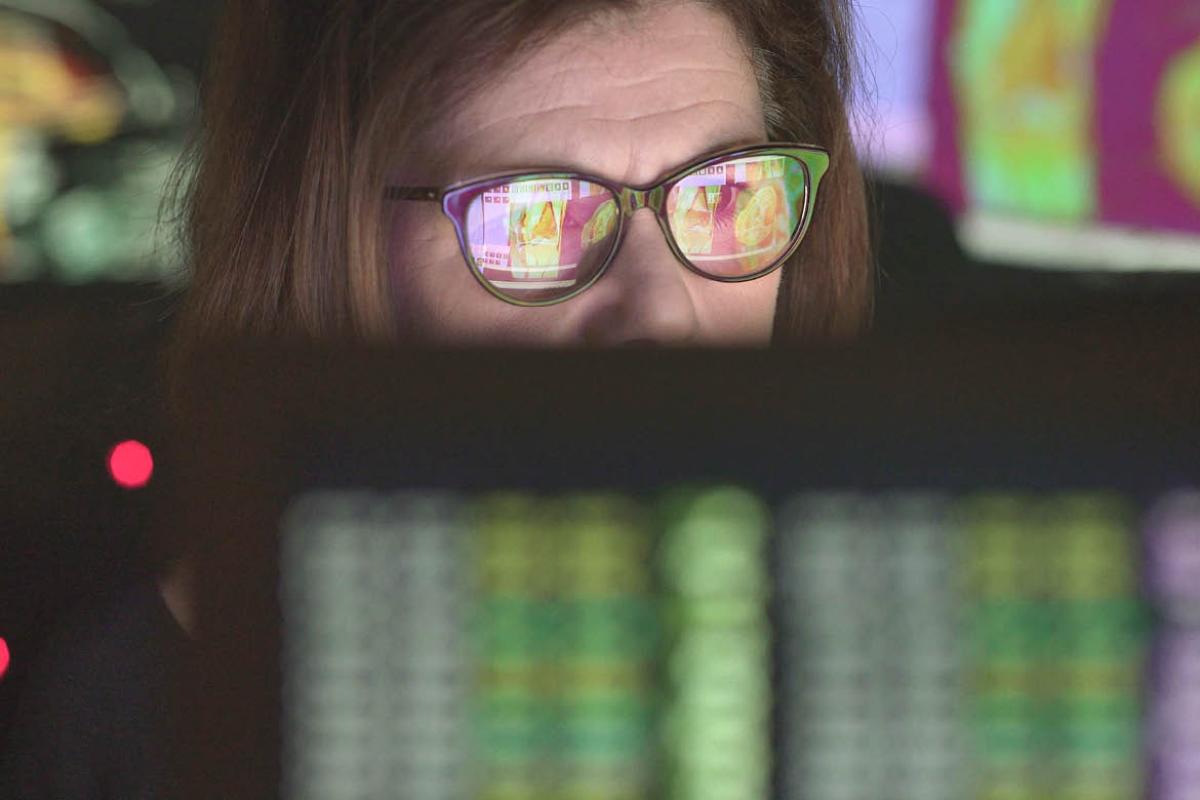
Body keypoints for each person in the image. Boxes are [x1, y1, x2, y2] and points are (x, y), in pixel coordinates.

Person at [2, 0, 870, 797]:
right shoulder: (139, 725)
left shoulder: (898, 637)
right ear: (331, 237)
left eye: (725, 195)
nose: (659, 315)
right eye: (533, 218)